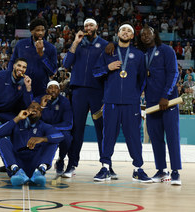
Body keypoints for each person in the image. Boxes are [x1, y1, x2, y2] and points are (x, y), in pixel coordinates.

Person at [92, 23, 151, 182]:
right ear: (118, 33)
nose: (125, 32)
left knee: (133, 136)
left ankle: (138, 169)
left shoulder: (138, 55)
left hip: (131, 103)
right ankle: (105, 167)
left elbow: (142, 80)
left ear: (132, 36)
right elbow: (96, 72)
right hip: (111, 101)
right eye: (123, 30)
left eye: (129, 31)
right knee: (109, 135)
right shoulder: (108, 52)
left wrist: (133, 95)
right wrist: (108, 67)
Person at [62, 18, 112, 178]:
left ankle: (106, 165)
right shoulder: (78, 44)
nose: (88, 28)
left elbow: (110, 69)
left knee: (102, 129)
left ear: (97, 27)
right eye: (85, 26)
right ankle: (72, 164)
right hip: (79, 92)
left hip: (98, 92)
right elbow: (66, 64)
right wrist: (75, 43)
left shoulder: (105, 45)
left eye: (91, 25)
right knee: (77, 129)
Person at [139, 26, 182, 185]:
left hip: (168, 102)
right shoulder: (142, 54)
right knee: (155, 138)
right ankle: (161, 170)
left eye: (148, 33)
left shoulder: (167, 50)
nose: (145, 36)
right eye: (142, 34)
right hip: (151, 104)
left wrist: (165, 96)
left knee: (172, 137)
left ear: (154, 34)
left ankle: (176, 172)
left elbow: (173, 73)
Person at [0, 102, 64, 186]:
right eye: (32, 107)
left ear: (40, 114)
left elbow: (60, 136)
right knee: (2, 141)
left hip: (35, 164)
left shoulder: (44, 126)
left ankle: (40, 171)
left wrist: (42, 139)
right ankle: (16, 171)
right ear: (26, 111)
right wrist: (17, 118)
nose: (35, 109)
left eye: (38, 109)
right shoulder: (16, 123)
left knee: (52, 142)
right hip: (18, 162)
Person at [9, 18, 57, 97]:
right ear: (31, 31)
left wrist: (42, 54)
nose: (41, 33)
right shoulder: (21, 44)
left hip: (41, 89)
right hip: (21, 86)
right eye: (38, 30)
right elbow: (12, 62)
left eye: (43, 30)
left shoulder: (51, 48)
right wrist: (9, 79)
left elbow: (53, 71)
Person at [33, 80, 73, 176]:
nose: (53, 90)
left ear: (60, 90)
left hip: (58, 129)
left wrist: (51, 128)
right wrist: (42, 107)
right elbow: (33, 119)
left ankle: (61, 160)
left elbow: (68, 123)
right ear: (46, 90)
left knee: (67, 137)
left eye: (56, 88)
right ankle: (35, 162)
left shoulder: (65, 102)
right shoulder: (38, 100)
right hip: (42, 129)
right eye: (51, 88)